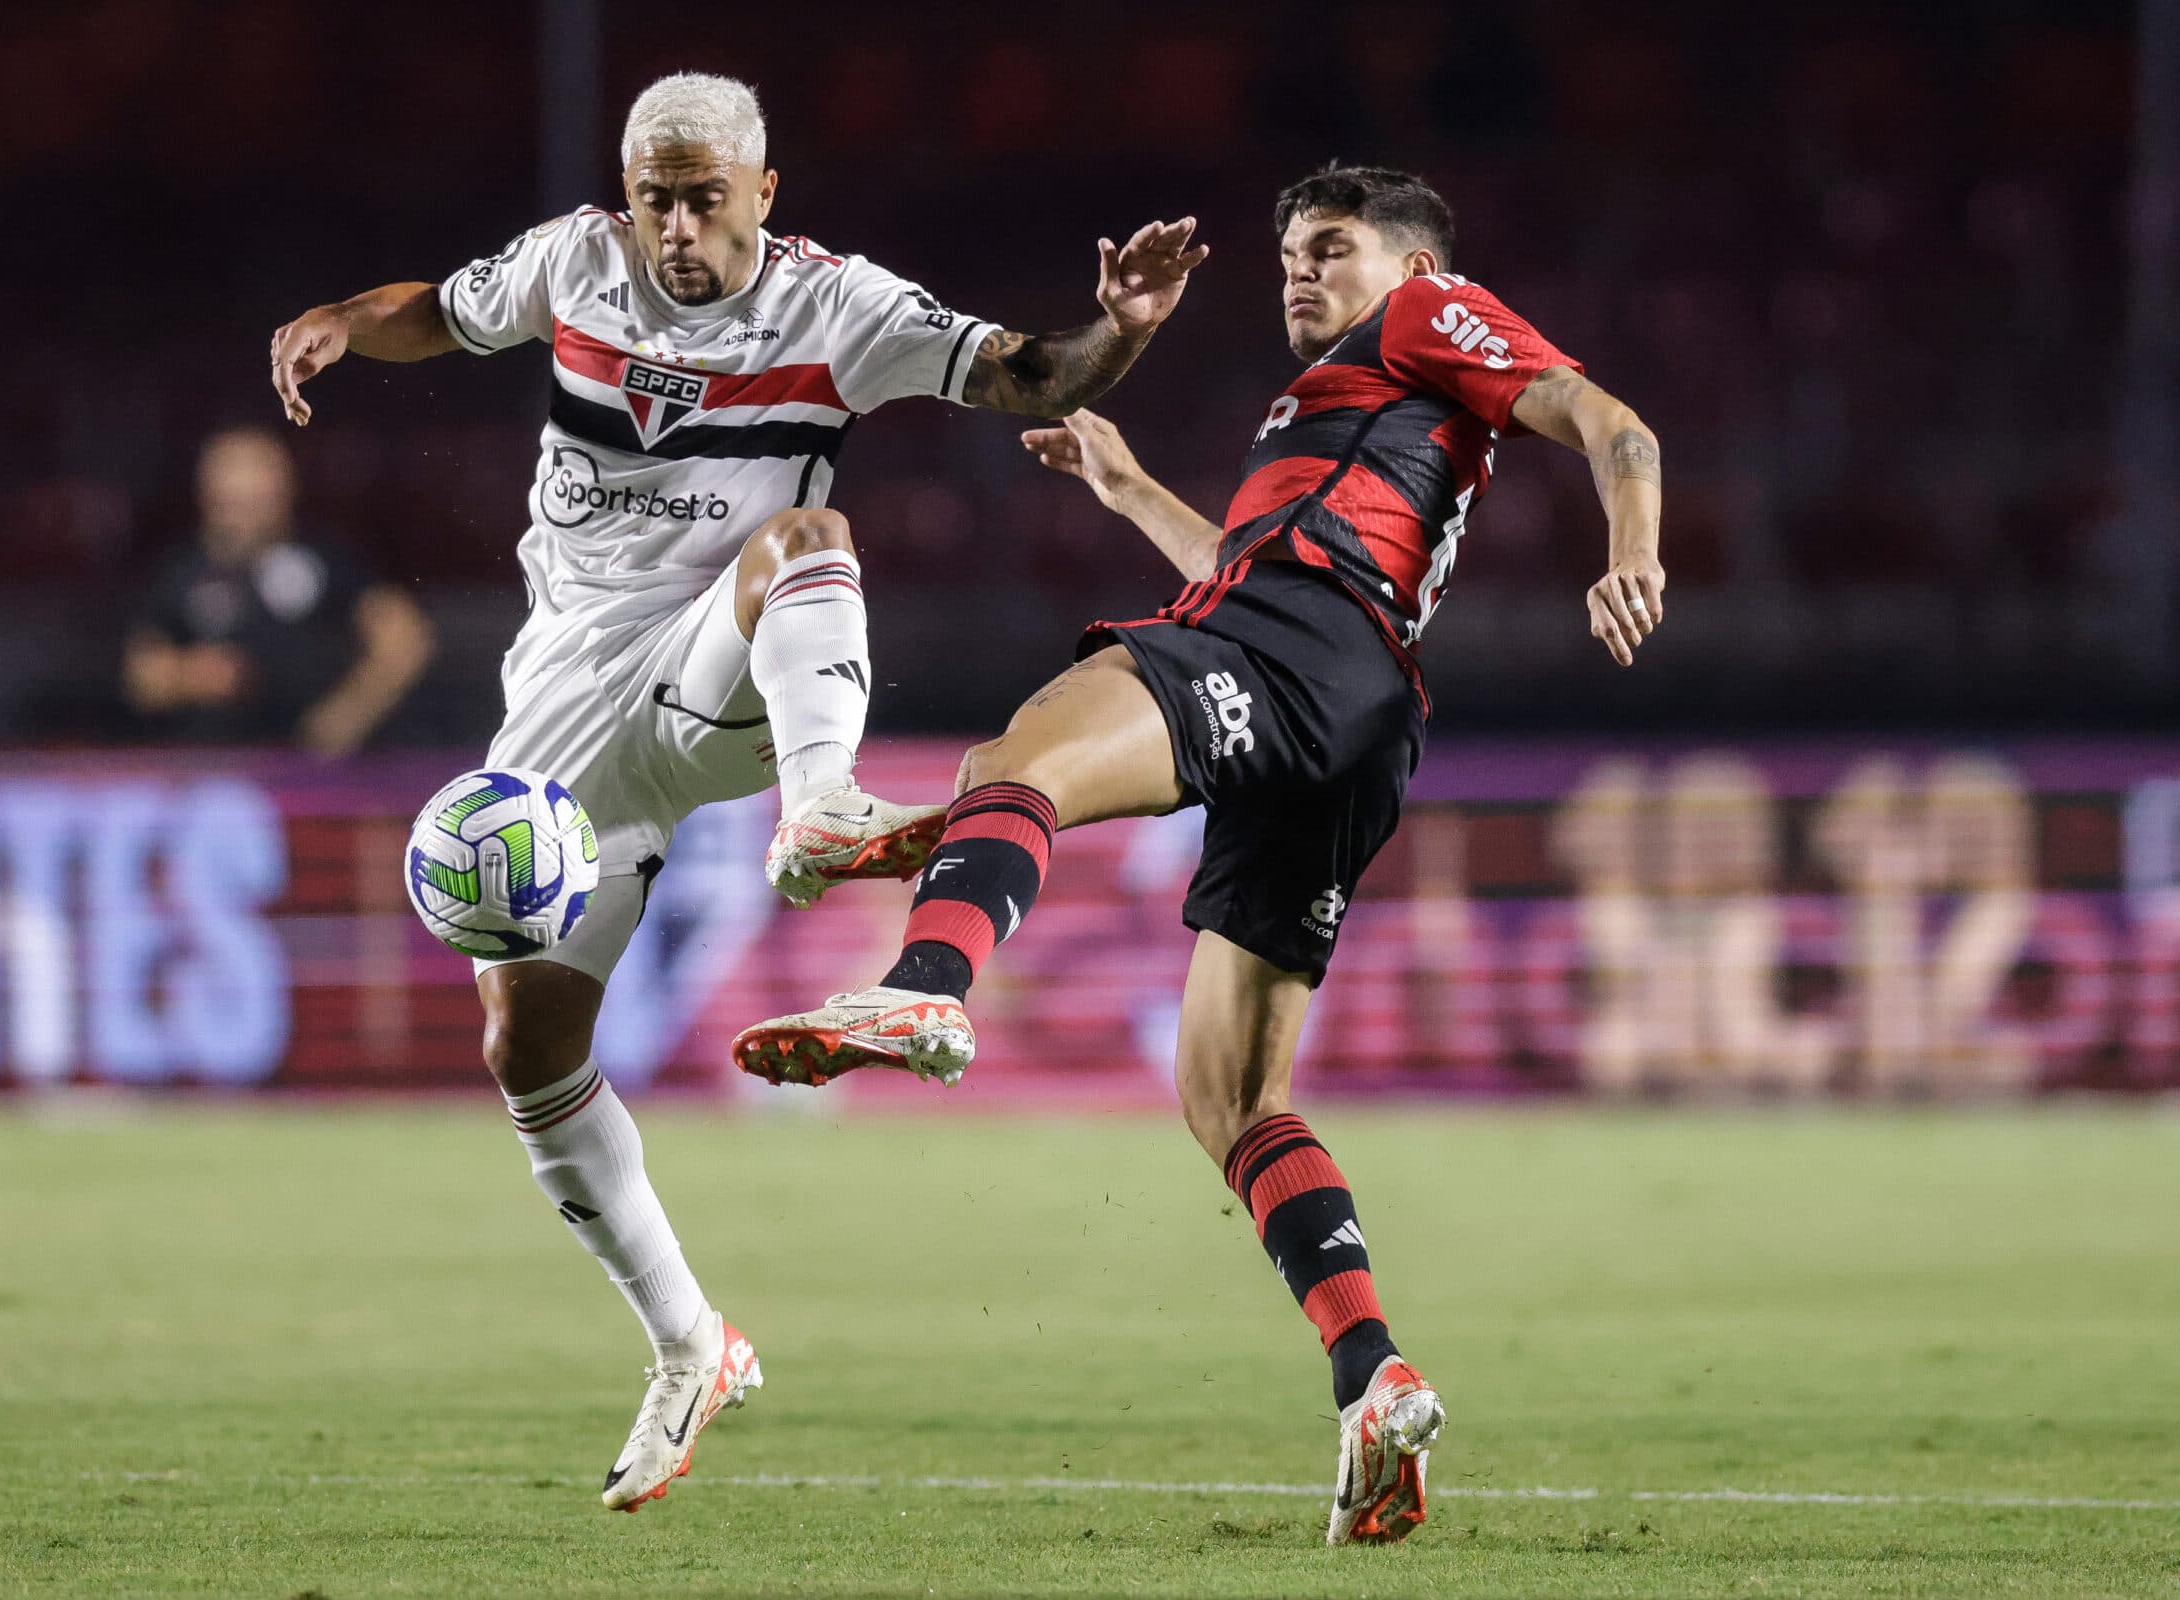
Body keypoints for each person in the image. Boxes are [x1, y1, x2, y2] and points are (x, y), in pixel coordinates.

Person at [264, 73, 1206, 1512]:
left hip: (734, 669)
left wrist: (1118, 335)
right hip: (568, 717)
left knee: (807, 530)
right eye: (660, 198)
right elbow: (440, 311)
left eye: (710, 198)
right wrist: (344, 320)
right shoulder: (574, 262)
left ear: (766, 192)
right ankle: (690, 1346)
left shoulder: (839, 306)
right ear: (628, 194)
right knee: (526, 1056)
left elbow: (1026, 372)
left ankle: (822, 803)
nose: (682, 226)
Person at [729, 163, 1666, 1546]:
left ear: (1407, 263)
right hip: (1350, 710)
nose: (1300, 270)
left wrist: (1630, 552)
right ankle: (1373, 1378)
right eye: (1289, 250)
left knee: (1017, 763)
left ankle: (928, 977)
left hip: (1302, 653)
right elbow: (1241, 568)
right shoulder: (1344, 404)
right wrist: (1127, 486)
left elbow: (1610, 423)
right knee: (1231, 1096)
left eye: (1331, 247)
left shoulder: (1426, 317)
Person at [125, 427, 434, 755]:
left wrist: (346, 714)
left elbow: (405, 641)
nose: (246, 490)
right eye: (232, 477)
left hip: (313, 771)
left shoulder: (325, 559)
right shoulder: (182, 572)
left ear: (285, 485)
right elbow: (141, 675)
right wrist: (189, 674)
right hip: (216, 769)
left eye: (258, 474)